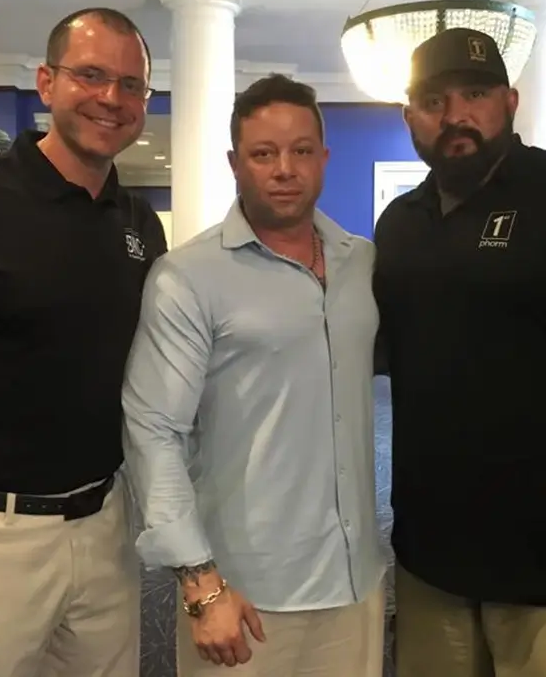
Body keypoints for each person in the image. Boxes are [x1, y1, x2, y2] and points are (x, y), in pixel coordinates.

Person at [373, 26, 546, 677]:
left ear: (511, 100)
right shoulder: (400, 227)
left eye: (475, 93)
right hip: (431, 569)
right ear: (409, 114)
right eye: (433, 100)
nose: (456, 116)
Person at [0, 7, 167, 677]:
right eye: (90, 75)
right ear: (47, 83)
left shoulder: (139, 223)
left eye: (130, 84)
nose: (111, 98)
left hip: (104, 525)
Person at [122, 73, 386, 676]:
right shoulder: (187, 277)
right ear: (235, 164)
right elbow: (152, 430)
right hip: (244, 591)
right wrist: (200, 582)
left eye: (300, 151)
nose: (284, 169)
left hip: (357, 576)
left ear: (324, 158)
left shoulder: (361, 262)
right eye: (264, 154)